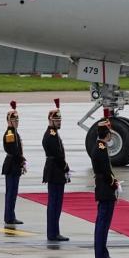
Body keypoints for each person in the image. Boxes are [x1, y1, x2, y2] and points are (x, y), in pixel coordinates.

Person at [88, 110, 120, 258]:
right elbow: (106, 171)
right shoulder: (100, 148)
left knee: (103, 222)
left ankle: (102, 252)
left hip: (102, 187)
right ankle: (101, 254)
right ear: (106, 133)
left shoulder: (99, 146)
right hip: (105, 188)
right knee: (103, 222)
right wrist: (114, 183)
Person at [41, 99, 70, 242]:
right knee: (54, 203)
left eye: (60, 120)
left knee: (56, 203)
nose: (59, 122)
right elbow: (57, 155)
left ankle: (54, 231)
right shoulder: (51, 135)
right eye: (56, 120)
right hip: (55, 171)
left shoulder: (53, 133)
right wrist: (65, 166)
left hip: (55, 170)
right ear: (50, 120)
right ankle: (53, 233)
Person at [1, 101, 24, 225]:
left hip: (14, 165)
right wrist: (21, 160)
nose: (16, 123)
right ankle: (9, 217)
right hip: (12, 165)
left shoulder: (14, 132)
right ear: (9, 121)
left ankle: (11, 215)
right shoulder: (10, 133)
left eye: (17, 121)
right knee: (11, 192)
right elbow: (12, 150)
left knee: (13, 192)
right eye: (14, 121)